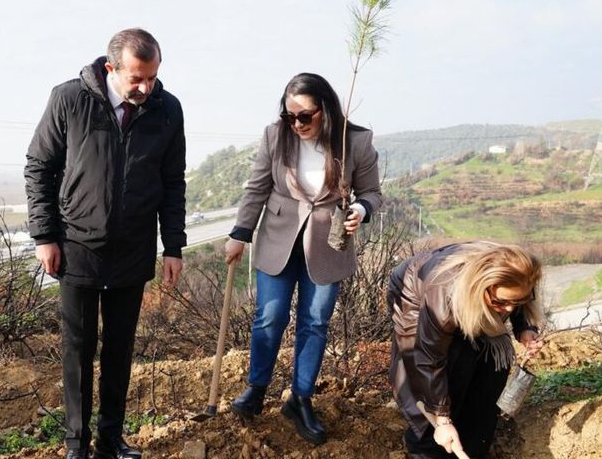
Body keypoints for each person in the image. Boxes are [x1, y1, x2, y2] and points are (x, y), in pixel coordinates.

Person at [24, 28, 186, 459]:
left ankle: (110, 440)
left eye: (152, 77)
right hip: (77, 246)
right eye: (137, 78)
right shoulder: (70, 99)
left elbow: (173, 183)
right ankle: (76, 444)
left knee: (120, 348)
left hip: (133, 248)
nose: (145, 88)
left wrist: (173, 246)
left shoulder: (167, 111)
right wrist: (45, 235)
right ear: (111, 68)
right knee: (78, 349)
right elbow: (39, 166)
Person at [224, 72, 382, 445]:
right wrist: (240, 233)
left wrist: (361, 207)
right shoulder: (275, 135)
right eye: (289, 116)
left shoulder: (354, 141)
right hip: (278, 240)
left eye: (305, 116)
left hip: (329, 244)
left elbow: (373, 192)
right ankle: (257, 388)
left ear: (325, 110)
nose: (297, 124)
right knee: (270, 316)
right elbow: (257, 187)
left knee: (315, 322)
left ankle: (300, 398)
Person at [388, 241, 545, 459]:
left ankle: (474, 444)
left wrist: (524, 327)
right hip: (415, 292)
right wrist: (441, 421)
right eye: (501, 302)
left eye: (516, 301)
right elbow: (428, 359)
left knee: (491, 365)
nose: (509, 309)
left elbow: (515, 295)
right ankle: (427, 448)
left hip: (469, 295)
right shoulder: (442, 300)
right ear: (483, 286)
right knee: (447, 365)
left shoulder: (520, 273)